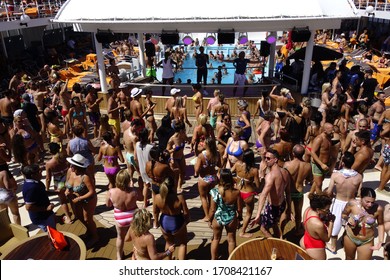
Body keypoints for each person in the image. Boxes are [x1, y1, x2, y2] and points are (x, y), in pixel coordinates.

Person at [324, 152, 363, 253]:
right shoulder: (359, 176)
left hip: (338, 202)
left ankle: (333, 246)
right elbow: (359, 194)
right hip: (351, 203)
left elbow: (329, 192)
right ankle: (345, 241)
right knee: (349, 224)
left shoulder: (336, 175)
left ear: (343, 162)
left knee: (335, 224)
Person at [251, 149, 291, 238]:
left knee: (263, 228)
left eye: (268, 158)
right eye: (265, 158)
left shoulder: (270, 176)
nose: (265, 160)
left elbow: (263, 195)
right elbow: (288, 192)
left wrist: (257, 215)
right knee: (274, 224)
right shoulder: (285, 172)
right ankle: (279, 237)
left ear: (275, 160)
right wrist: (289, 208)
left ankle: (276, 244)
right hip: (282, 204)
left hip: (273, 207)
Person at [65, 154, 99, 248]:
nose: (70, 166)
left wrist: (79, 198)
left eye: (73, 165)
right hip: (76, 200)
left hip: (89, 200)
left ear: (79, 167)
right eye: (71, 164)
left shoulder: (85, 177)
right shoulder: (70, 171)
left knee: (87, 219)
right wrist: (67, 190)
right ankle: (89, 230)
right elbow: (67, 183)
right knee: (79, 216)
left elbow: (92, 191)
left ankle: (95, 237)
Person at [342, 187, 384, 260]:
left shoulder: (378, 209)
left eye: (372, 202)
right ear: (361, 198)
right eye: (367, 201)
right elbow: (343, 214)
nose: (370, 205)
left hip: (367, 241)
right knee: (349, 258)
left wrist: (380, 241)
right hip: (350, 238)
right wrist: (348, 219)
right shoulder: (352, 204)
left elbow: (381, 224)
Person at [105, 169, 140, 260]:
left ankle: (119, 257)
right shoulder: (133, 192)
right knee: (135, 237)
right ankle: (136, 255)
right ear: (128, 180)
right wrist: (132, 187)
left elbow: (108, 205)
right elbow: (139, 199)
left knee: (120, 237)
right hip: (133, 217)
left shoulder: (111, 192)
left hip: (120, 219)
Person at [154, 176, 189, 260]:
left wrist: (156, 221)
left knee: (169, 242)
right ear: (174, 186)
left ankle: (169, 261)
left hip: (164, 222)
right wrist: (186, 220)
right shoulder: (179, 198)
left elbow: (155, 212)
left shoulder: (157, 197)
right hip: (177, 221)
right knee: (182, 243)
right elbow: (186, 212)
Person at [209, 169, 240, 260]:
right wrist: (240, 217)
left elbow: (212, 209)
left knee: (215, 239)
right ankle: (231, 260)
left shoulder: (215, 191)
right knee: (231, 240)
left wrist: (210, 220)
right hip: (231, 217)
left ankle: (213, 259)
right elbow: (239, 208)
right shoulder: (236, 192)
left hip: (218, 217)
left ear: (221, 178)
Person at [283, 144, 312, 234]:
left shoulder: (287, 164)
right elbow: (310, 179)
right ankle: (298, 229)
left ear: (293, 153)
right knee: (298, 212)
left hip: (288, 191)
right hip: (299, 192)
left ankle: (281, 233)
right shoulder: (307, 166)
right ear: (303, 154)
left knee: (285, 212)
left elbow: (283, 179)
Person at [231, 149, 260, 238]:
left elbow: (229, 173)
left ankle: (237, 224)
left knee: (237, 209)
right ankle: (242, 232)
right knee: (248, 213)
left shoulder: (237, 164)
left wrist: (236, 179)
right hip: (248, 193)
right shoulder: (254, 170)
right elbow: (258, 185)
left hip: (238, 191)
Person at [299, 193, 335, 260]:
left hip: (305, 239)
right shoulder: (318, 224)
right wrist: (331, 223)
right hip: (315, 247)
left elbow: (307, 226)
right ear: (318, 210)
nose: (328, 212)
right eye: (327, 210)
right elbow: (327, 239)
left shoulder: (308, 209)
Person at [194, 137, 221, 222]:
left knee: (203, 197)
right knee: (210, 195)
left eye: (204, 143)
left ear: (207, 145)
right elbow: (220, 165)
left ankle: (207, 216)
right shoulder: (216, 153)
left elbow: (197, 170)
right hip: (213, 177)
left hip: (204, 178)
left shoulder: (202, 155)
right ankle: (211, 212)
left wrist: (195, 165)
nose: (203, 144)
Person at [22, 164, 55, 231]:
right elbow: (28, 207)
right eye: (39, 171)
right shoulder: (31, 188)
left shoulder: (36, 182)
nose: (41, 172)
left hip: (47, 214)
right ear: (32, 175)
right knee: (52, 234)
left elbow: (42, 192)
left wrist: (56, 192)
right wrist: (46, 209)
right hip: (42, 218)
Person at [45, 142, 72, 224]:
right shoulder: (64, 157)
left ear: (50, 151)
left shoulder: (49, 164)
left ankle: (68, 218)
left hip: (59, 183)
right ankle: (77, 214)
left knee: (63, 201)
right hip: (69, 179)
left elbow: (48, 178)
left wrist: (47, 189)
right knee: (71, 198)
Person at [309, 122, 333, 194]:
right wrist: (321, 164)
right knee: (319, 184)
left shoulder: (329, 137)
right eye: (331, 130)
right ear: (325, 130)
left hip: (325, 164)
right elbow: (312, 152)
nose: (333, 131)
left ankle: (311, 194)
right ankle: (320, 201)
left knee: (319, 181)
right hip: (318, 165)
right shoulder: (319, 139)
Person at [167, 121, 188, 192]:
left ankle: (179, 186)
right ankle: (175, 188)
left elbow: (188, 140)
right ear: (181, 130)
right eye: (184, 129)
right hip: (174, 158)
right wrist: (174, 149)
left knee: (183, 172)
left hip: (181, 156)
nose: (185, 130)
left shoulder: (183, 135)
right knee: (176, 174)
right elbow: (167, 151)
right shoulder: (172, 139)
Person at [135, 128, 153, 209]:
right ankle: (155, 203)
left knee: (146, 185)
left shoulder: (137, 145)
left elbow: (135, 158)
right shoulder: (151, 147)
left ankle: (145, 202)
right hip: (150, 169)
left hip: (142, 169)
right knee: (153, 186)